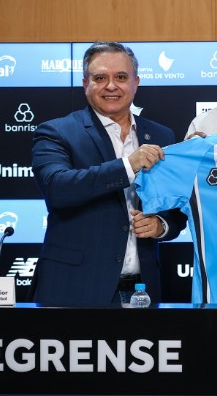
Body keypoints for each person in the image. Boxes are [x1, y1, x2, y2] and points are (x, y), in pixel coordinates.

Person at [31, 41, 187, 306]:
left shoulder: (161, 135)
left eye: (121, 77)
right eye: (100, 78)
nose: (111, 86)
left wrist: (161, 225)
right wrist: (128, 165)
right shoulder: (56, 132)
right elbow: (58, 188)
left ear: (136, 83)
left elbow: (176, 206)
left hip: (142, 289)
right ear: (85, 84)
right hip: (75, 288)